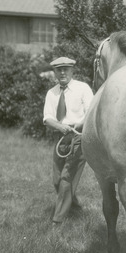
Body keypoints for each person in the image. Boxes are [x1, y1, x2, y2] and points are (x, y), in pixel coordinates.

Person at [43, 56, 94, 225]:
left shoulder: (83, 88)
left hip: (79, 137)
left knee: (67, 177)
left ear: (72, 71)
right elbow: (47, 118)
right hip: (61, 137)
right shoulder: (52, 92)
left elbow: (91, 113)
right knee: (57, 179)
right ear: (55, 72)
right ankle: (76, 209)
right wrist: (60, 127)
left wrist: (78, 125)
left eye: (66, 69)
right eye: (59, 69)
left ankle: (57, 221)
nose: (62, 72)